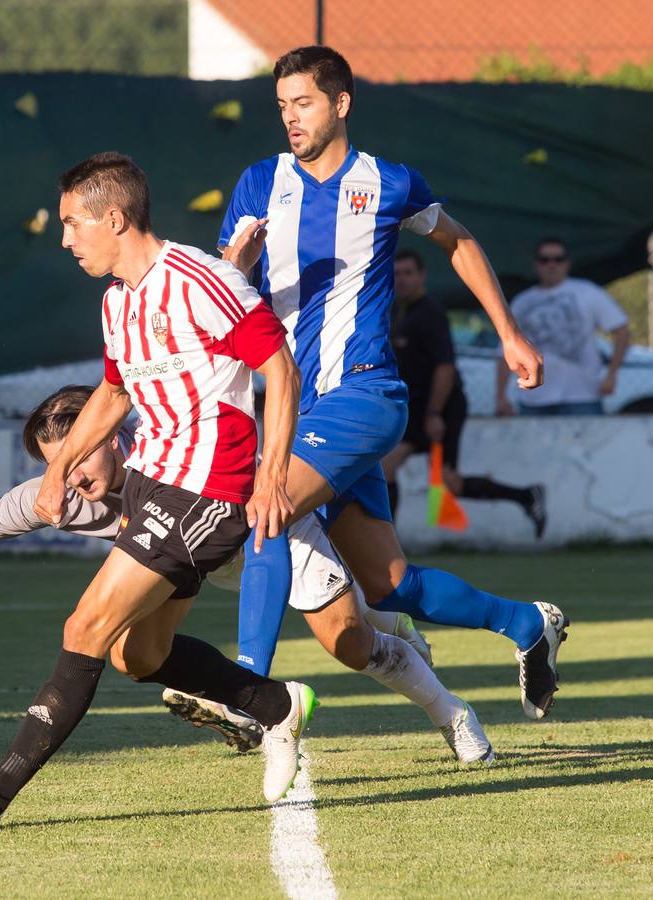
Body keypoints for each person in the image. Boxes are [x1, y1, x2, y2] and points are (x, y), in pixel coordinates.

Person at [0, 151, 310, 831]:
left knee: (84, 626)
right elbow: (114, 393)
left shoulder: (204, 279)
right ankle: (274, 707)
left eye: (71, 223)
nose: (63, 238)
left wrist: (272, 475)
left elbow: (279, 369)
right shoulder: (117, 302)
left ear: (114, 218)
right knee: (134, 655)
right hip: (153, 488)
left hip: (208, 490)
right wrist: (57, 469)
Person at [0, 385, 491, 770]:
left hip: (263, 535)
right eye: (57, 464)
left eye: (79, 454)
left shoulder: (173, 451)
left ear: (113, 435)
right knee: (129, 653)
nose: (71, 476)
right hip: (193, 567)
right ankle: (259, 702)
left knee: (348, 645)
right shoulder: (61, 493)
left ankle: (451, 712)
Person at [218, 46, 568, 720]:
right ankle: (526, 624)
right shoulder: (259, 182)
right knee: (391, 585)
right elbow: (228, 290)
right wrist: (238, 262)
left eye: (305, 103)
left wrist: (509, 332)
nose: (291, 118)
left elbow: (458, 242)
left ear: (340, 104)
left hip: (365, 395)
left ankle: (247, 687)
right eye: (283, 106)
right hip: (296, 406)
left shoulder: (388, 182)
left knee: (266, 507)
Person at [383, 250, 546, 535]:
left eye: (408, 273)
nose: (403, 280)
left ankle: (526, 496)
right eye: (397, 274)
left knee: (448, 484)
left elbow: (445, 367)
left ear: (421, 276)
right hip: (415, 407)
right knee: (388, 470)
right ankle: (387, 546)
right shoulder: (396, 311)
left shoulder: (431, 313)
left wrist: (435, 413)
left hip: (441, 407)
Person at [496, 237, 631, 417]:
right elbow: (505, 350)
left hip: (583, 397)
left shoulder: (588, 292)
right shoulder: (522, 302)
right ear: (536, 265)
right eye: (545, 260)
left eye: (558, 259)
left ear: (567, 263)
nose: (552, 265)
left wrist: (612, 374)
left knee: (588, 445)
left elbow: (622, 332)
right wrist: (500, 397)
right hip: (533, 399)